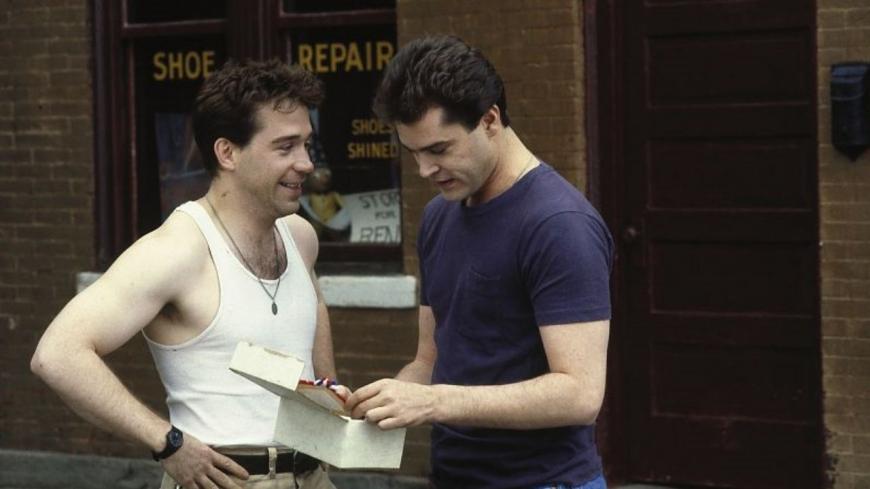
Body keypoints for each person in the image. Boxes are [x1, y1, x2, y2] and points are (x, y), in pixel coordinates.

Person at [31, 59, 345, 489]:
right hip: (225, 479)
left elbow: (314, 306)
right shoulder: (178, 250)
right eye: (285, 147)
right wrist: (168, 443)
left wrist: (331, 395)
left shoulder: (299, 236)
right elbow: (57, 354)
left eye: (306, 145)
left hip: (313, 476)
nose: (306, 163)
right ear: (227, 153)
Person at [346, 36, 614, 489]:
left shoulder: (559, 224)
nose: (424, 170)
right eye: (413, 153)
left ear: (490, 119)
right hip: (453, 476)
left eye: (439, 149)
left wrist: (433, 403)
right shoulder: (438, 216)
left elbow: (580, 394)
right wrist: (381, 402)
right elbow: (429, 361)